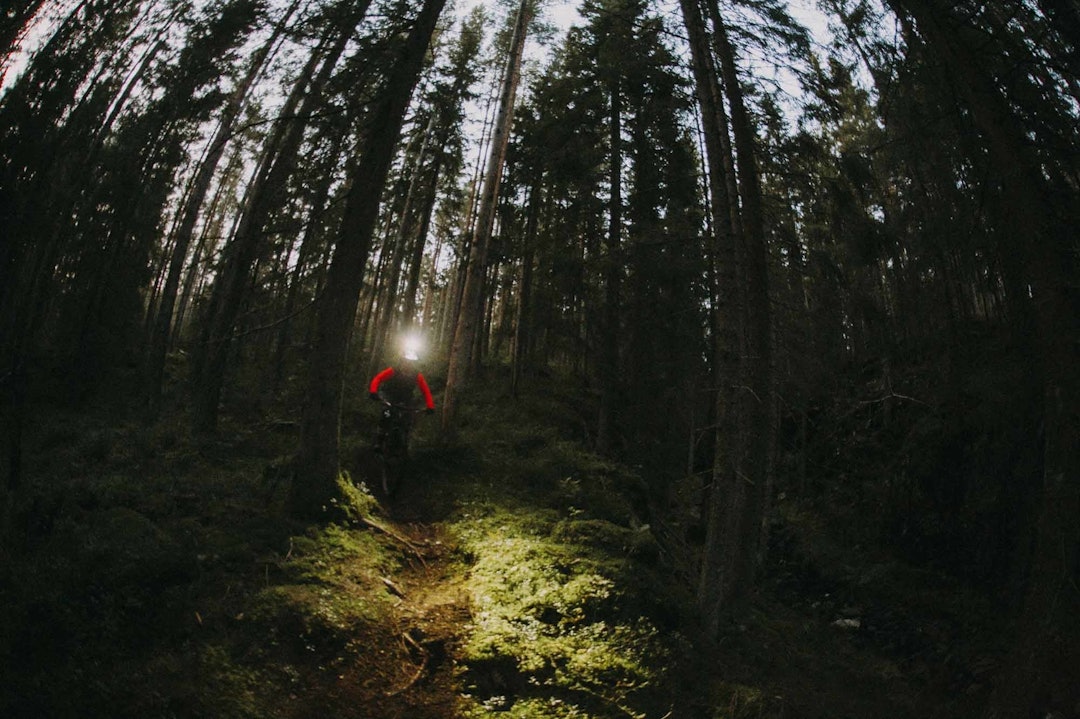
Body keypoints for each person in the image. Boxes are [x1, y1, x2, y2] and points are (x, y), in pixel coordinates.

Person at [368, 348, 435, 453]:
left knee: (408, 418)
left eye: (411, 363)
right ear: (402, 361)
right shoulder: (394, 371)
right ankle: (379, 441)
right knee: (387, 413)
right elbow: (378, 378)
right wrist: (373, 392)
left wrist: (430, 406)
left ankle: (405, 444)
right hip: (389, 395)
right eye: (406, 362)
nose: (408, 365)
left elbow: (425, 391)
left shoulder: (417, 376)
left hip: (405, 399)